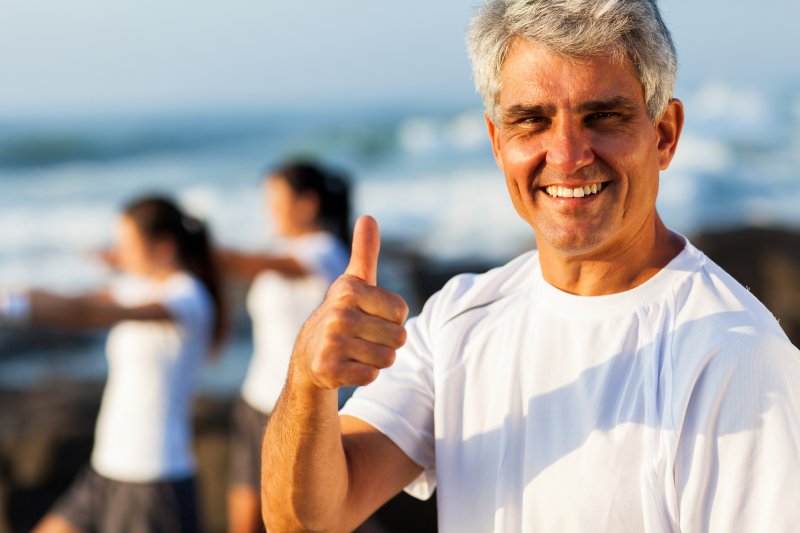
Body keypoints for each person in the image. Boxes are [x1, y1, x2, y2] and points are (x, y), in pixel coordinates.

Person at [261, 1, 800, 532]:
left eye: (603, 116)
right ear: (498, 143)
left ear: (665, 134)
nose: (566, 155)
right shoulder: (459, 320)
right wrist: (309, 382)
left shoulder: (736, 357)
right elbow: (304, 520)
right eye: (531, 121)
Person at [0, 195, 226, 532]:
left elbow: (86, 314)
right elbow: (78, 300)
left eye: (127, 244)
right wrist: (12, 297)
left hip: (153, 478)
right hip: (106, 468)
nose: (119, 253)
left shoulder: (187, 297)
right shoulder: (137, 286)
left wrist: (15, 310)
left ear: (162, 247)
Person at [218, 161, 350, 533]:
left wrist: (205, 253)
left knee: (327, 522)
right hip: (255, 403)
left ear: (306, 204)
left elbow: (265, 263)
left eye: (274, 200)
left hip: (300, 409)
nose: (267, 209)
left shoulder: (324, 250)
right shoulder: (286, 248)